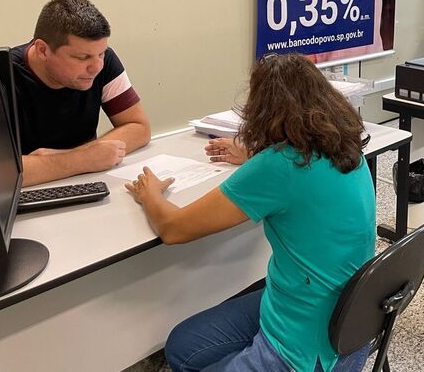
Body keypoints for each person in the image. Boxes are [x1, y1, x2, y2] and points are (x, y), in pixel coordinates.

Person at [125, 53, 375, 372]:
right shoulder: (346, 147)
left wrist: (150, 194)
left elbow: (173, 228)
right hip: (347, 324)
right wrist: (255, 158)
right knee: (182, 346)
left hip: (303, 352)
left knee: (184, 355)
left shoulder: (278, 167)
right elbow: (300, 183)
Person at [11, 0, 150, 186]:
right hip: (28, 198)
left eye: (101, 53)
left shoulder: (103, 61)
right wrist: (83, 160)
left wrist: (73, 158)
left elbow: (139, 127)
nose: (96, 67)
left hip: (87, 183)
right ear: (43, 50)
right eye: (82, 57)